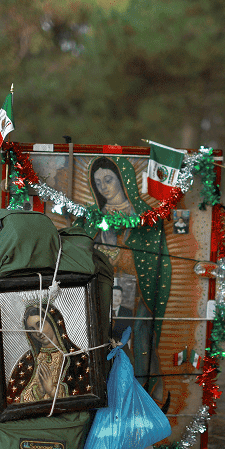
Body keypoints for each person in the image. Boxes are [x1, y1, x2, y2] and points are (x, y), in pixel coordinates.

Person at [79, 156, 171, 405]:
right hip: (103, 297)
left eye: (109, 180)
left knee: (137, 345)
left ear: (124, 181)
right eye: (98, 183)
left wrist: (121, 256)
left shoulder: (145, 219)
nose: (104, 187)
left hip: (135, 298)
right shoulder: (94, 219)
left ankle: (142, 401)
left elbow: (153, 264)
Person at [7, 303, 91, 404]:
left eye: (40, 324)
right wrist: (39, 391)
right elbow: (14, 402)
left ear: (53, 322)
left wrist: (52, 390)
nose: (38, 332)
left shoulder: (78, 358)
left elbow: (83, 397)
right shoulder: (28, 361)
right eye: (32, 329)